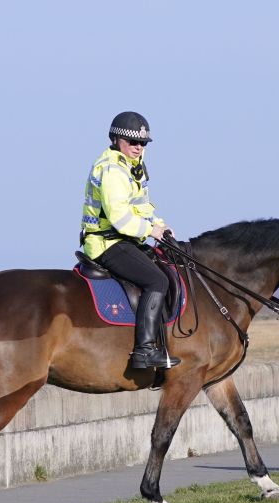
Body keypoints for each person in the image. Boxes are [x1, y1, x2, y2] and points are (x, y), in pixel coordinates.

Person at [80, 112, 181, 369]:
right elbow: (119, 218)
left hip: (125, 240)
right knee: (156, 280)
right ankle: (144, 351)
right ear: (116, 139)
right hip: (106, 243)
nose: (138, 147)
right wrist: (150, 231)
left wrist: (160, 226)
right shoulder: (113, 169)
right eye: (132, 142)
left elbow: (141, 208)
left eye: (143, 143)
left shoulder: (133, 167)